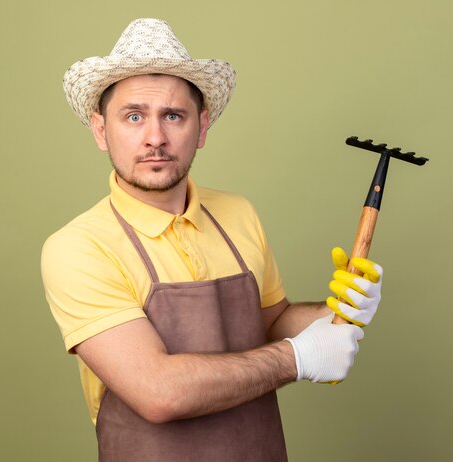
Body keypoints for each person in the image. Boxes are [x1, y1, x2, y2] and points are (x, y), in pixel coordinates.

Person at [41, 18, 383, 461]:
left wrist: (338, 311)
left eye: (173, 115)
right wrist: (296, 358)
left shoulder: (238, 213)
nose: (155, 138)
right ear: (101, 130)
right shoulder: (79, 248)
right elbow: (157, 391)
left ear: (201, 127)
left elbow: (269, 323)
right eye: (133, 116)